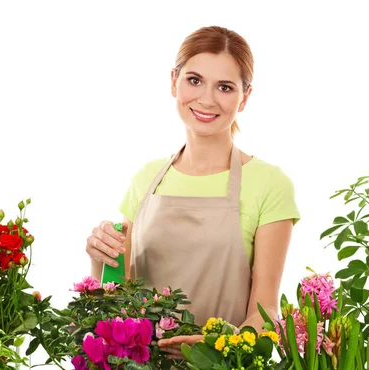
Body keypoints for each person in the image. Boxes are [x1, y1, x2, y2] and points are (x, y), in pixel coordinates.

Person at [85, 25, 300, 359]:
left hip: (223, 365)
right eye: (194, 80)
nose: (206, 99)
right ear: (174, 81)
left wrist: (213, 348)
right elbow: (113, 296)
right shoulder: (146, 179)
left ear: (245, 97)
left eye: (225, 87)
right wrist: (98, 256)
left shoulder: (269, 185)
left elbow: (265, 311)